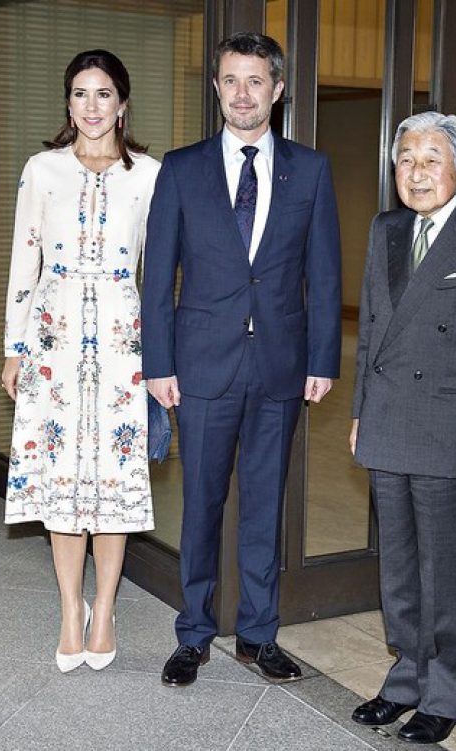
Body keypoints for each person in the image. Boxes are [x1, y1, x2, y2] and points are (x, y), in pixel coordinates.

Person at [141, 32, 341, 687]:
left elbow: (324, 272)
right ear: (218, 88)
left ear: (277, 89)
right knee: (200, 505)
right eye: (231, 80)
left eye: (256, 81)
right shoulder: (182, 167)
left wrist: (323, 357)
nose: (243, 94)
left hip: (280, 367)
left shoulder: (309, 170)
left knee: (264, 507)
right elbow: (158, 276)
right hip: (199, 367)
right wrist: (160, 363)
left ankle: (258, 635)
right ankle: (193, 634)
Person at [349, 112, 456, 744]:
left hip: (452, 429)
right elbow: (371, 328)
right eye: (406, 160)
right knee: (397, 566)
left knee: (446, 570)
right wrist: (361, 413)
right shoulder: (386, 228)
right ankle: (404, 678)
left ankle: (447, 691)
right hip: (389, 419)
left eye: (431, 159)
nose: (416, 172)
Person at [2, 49, 159, 673]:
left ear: (122, 104)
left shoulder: (149, 175)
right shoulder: (42, 170)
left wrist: (163, 356)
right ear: (67, 104)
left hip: (124, 345)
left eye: (102, 94)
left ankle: (107, 606)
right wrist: (14, 349)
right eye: (79, 94)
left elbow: (162, 267)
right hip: (53, 342)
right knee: (63, 487)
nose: (90, 106)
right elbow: (24, 262)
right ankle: (71, 609)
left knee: (114, 483)